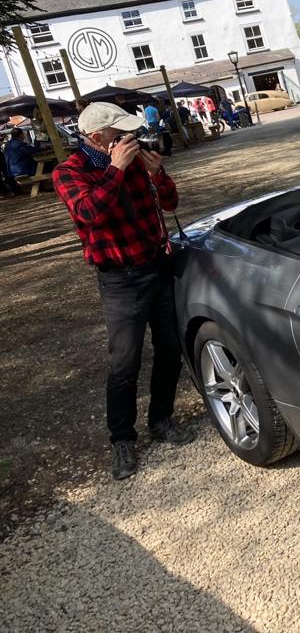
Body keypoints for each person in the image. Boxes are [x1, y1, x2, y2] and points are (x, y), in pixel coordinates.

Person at [52, 101, 195, 481]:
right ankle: (122, 439)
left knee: (170, 348)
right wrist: (115, 169)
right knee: (125, 362)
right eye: (121, 133)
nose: (130, 138)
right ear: (98, 137)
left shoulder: (135, 161)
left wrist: (157, 173)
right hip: (120, 278)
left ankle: (161, 419)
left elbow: (170, 203)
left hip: (157, 265)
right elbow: (89, 214)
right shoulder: (68, 171)